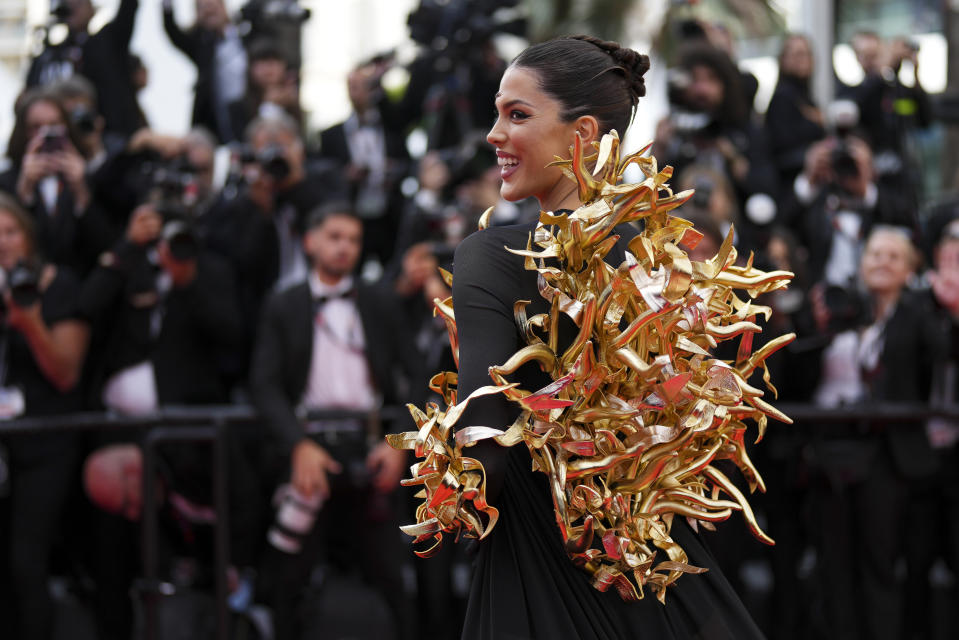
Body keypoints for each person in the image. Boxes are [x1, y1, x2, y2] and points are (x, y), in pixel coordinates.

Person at [442, 35, 765, 639]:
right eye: (497, 112)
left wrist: (441, 489)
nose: (493, 134)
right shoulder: (666, 267)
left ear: (583, 133)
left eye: (517, 114)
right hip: (652, 575)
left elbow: (483, 450)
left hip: (539, 571)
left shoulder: (491, 255)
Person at [250, 203, 414, 640]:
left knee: (392, 574)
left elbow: (420, 377)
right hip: (309, 447)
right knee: (290, 570)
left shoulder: (378, 300)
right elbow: (263, 385)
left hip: (373, 445)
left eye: (354, 240)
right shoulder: (284, 304)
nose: (346, 248)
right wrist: (297, 446)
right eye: (335, 237)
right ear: (310, 241)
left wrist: (400, 445)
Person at [806, 225, 946, 639]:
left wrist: (939, 307)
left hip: (888, 457)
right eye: (875, 254)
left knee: (880, 563)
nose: (882, 262)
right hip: (832, 453)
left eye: (893, 257)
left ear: (910, 270)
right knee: (833, 565)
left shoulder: (919, 315)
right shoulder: (843, 309)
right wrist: (817, 325)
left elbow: (932, 363)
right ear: (861, 263)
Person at [0, 192, 90, 640]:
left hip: (46, 445)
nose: (2, 243)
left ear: (28, 237)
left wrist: (28, 321)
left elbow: (65, 374)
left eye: (10, 231)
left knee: (26, 563)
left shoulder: (61, 285)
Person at [162, 0, 248, 143]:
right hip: (214, 117)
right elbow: (173, 31)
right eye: (202, 7)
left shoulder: (244, 34)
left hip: (247, 110)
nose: (208, 10)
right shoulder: (201, 44)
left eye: (212, 5)